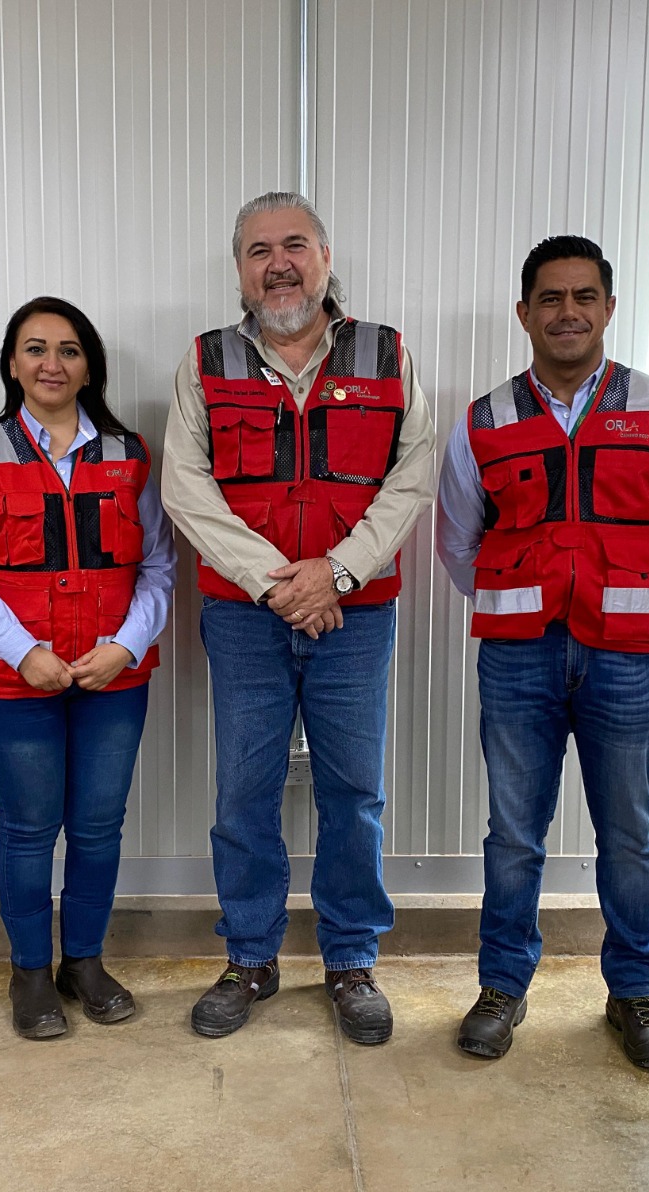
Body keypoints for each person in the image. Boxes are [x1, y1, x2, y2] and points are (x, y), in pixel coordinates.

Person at [162, 191, 434, 1044]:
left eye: (295, 245)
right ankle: (250, 955)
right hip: (245, 615)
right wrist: (276, 583)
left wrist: (340, 574)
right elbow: (185, 488)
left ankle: (352, 959)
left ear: (324, 256)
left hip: (356, 614)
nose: (277, 263)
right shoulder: (205, 361)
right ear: (238, 267)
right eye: (257, 250)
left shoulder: (385, 353)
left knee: (353, 791)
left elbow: (413, 475)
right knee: (244, 791)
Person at [436, 235, 649, 1069]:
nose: (567, 312)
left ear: (609, 308)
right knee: (514, 834)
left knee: (629, 833)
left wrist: (615, 598)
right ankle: (502, 987)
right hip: (518, 659)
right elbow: (459, 545)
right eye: (550, 298)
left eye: (583, 296)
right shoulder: (484, 421)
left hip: (625, 657)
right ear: (524, 313)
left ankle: (634, 993)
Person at [0, 297, 174, 1038]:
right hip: (12, 680)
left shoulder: (130, 453)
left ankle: (85, 962)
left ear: (88, 366)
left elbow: (159, 566)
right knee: (31, 827)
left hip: (112, 677)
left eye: (68, 350)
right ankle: (31, 971)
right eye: (35, 348)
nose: (51, 363)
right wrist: (25, 652)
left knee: (99, 827)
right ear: (11, 362)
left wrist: (124, 648)